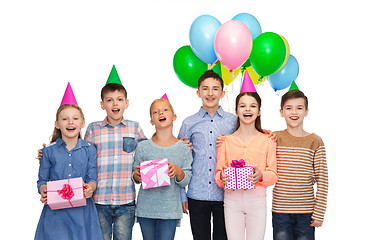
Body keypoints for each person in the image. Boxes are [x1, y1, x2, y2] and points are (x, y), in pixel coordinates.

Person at [178, 70, 236, 240]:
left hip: (226, 194)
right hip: (197, 193)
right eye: (205, 89)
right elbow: (182, 161)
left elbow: (245, 147)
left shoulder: (233, 121)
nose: (210, 93)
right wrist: (182, 194)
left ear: (222, 93)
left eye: (215, 89)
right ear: (198, 92)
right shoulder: (188, 122)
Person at [84, 82, 147, 240]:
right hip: (99, 201)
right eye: (109, 100)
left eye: (119, 99)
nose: (115, 103)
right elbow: (83, 159)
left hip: (126, 201)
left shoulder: (134, 128)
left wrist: (177, 144)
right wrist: (51, 148)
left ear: (126, 103)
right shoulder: (93, 129)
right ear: (102, 104)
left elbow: (147, 153)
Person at [215, 92, 278, 240]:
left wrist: (261, 175)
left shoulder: (268, 140)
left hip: (257, 200)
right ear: (236, 111)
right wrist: (222, 177)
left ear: (259, 111)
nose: (247, 109)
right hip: (232, 201)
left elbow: (274, 175)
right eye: (242, 106)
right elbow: (218, 175)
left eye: (253, 106)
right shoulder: (225, 141)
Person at [35, 103, 103, 240]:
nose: (71, 122)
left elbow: (92, 178)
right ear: (57, 124)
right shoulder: (48, 151)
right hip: (56, 214)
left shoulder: (90, 149)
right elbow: (42, 180)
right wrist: (44, 190)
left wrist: (90, 187)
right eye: (65, 119)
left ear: (83, 123)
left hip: (82, 213)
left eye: (75, 118)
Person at [132, 98, 193, 240]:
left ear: (174, 116)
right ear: (151, 121)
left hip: (169, 210)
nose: (160, 113)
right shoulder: (143, 147)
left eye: (165, 110)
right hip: (146, 209)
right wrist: (137, 175)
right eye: (155, 111)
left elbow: (186, 180)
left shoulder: (183, 148)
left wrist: (179, 172)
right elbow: (134, 176)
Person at [272, 90, 328, 240]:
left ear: (306, 111)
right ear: (281, 112)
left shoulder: (315, 141)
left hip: (306, 212)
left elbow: (322, 179)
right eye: (289, 108)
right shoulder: (275, 137)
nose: (294, 112)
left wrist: (319, 213)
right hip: (280, 211)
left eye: (299, 107)